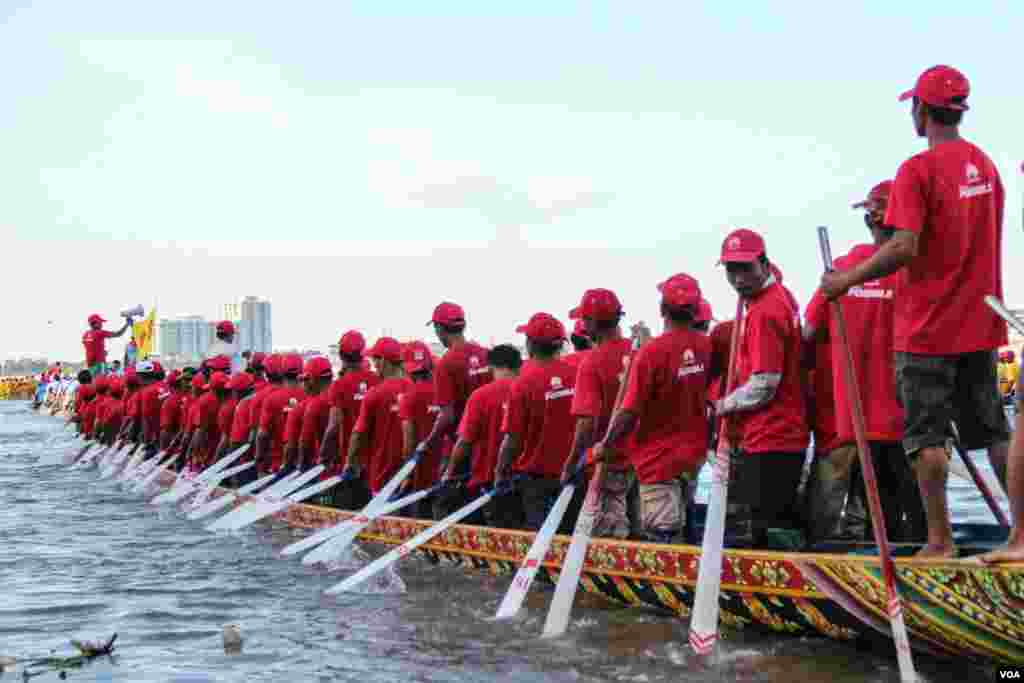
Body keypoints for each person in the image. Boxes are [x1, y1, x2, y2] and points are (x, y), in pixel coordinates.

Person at [821, 65, 1009, 559]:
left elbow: (904, 246)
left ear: (921, 111)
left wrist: (846, 280)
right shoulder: (985, 166)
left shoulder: (917, 170)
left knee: (926, 436)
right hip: (979, 322)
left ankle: (939, 542)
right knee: (992, 432)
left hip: (928, 328)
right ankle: (1020, 537)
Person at [804, 180, 926, 546]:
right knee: (916, 511)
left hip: (859, 417)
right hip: (906, 413)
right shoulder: (915, 268)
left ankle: (885, 564)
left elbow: (808, 333)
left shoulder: (840, 271)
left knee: (882, 512)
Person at [590, 274, 711, 543]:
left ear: (662, 309)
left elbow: (629, 411)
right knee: (684, 527)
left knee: (663, 538)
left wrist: (607, 444)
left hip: (659, 461)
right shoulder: (706, 345)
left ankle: (678, 585)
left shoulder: (652, 353)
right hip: (692, 458)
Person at [716, 229, 809, 549]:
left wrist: (723, 405)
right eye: (731, 269)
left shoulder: (766, 310)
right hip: (781, 433)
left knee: (767, 530)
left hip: (772, 435)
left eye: (745, 268)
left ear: (765, 264)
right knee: (777, 519)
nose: (738, 278)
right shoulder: (776, 297)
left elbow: (764, 385)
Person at [494, 313, 579, 532]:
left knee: (539, 539)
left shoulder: (522, 384)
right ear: (561, 344)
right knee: (571, 536)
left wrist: (501, 470)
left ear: (529, 344)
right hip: (574, 472)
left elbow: (512, 438)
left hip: (536, 479)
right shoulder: (577, 374)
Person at [563, 288, 633, 539]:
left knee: (609, 538)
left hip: (610, 463)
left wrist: (573, 462)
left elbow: (586, 423)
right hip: (644, 461)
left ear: (591, 323)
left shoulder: (592, 363)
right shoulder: (639, 352)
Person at [442, 345, 523, 527]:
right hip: (526, 480)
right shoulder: (531, 390)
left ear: (492, 366)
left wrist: (449, 472)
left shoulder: (481, 396)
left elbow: (465, 441)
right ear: (518, 366)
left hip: (490, 482)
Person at [417, 303, 491, 474]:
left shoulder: (445, 364)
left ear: (439, 328)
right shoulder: (486, 354)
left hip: (465, 447)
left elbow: (447, 416)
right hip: (492, 443)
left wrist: (429, 441)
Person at [343, 338, 411, 496]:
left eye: (375, 359)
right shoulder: (413, 388)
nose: (373, 364)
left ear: (384, 361)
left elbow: (358, 434)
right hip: (411, 473)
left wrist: (350, 462)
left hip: (383, 475)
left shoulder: (375, 394)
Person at [319, 332, 379, 509]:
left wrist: (323, 454)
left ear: (341, 355)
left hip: (351, 464)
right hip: (375, 463)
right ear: (363, 354)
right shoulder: (377, 380)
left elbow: (333, 426)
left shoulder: (339, 385)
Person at [397, 341, 443, 518]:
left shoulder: (409, 398)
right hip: (446, 470)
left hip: (422, 474)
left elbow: (408, 441)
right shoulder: (444, 390)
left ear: (407, 369)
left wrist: (405, 474)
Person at [256, 354, 305, 474]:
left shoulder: (271, 399)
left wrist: (259, 458)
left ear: (282, 372)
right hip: (306, 467)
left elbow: (262, 435)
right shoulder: (310, 396)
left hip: (279, 466)